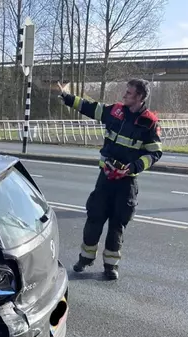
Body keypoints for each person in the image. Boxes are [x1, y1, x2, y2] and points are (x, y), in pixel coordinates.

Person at [56, 79, 163, 280]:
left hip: (126, 183)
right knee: (94, 218)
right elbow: (91, 108)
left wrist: (133, 167)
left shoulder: (150, 122)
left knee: (117, 224)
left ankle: (110, 266)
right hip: (105, 179)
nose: (124, 95)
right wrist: (67, 97)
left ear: (140, 97)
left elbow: (155, 154)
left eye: (129, 93)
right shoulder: (116, 111)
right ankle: (85, 259)